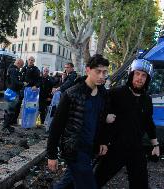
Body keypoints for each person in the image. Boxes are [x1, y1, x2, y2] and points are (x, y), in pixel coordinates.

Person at [94, 58, 160, 189]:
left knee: (140, 184)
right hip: (115, 147)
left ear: (147, 79)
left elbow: (148, 122)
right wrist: (102, 142)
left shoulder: (147, 99)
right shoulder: (115, 93)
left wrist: (155, 144)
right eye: (137, 74)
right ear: (131, 74)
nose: (140, 78)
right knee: (96, 181)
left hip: (136, 148)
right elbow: (101, 118)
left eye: (144, 75)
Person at [47, 54, 110, 189]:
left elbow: (101, 121)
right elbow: (56, 126)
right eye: (98, 71)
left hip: (90, 149)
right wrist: (51, 155)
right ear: (88, 70)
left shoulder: (103, 94)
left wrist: (103, 141)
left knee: (69, 182)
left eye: (104, 72)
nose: (101, 76)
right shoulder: (71, 94)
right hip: (74, 149)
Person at [2, 59, 25, 133]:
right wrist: (22, 84)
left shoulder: (11, 69)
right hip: (13, 92)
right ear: (18, 63)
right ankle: (6, 126)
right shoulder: (14, 70)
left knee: (10, 109)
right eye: (21, 65)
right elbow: (15, 82)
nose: (21, 67)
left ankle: (7, 125)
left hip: (10, 91)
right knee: (10, 110)